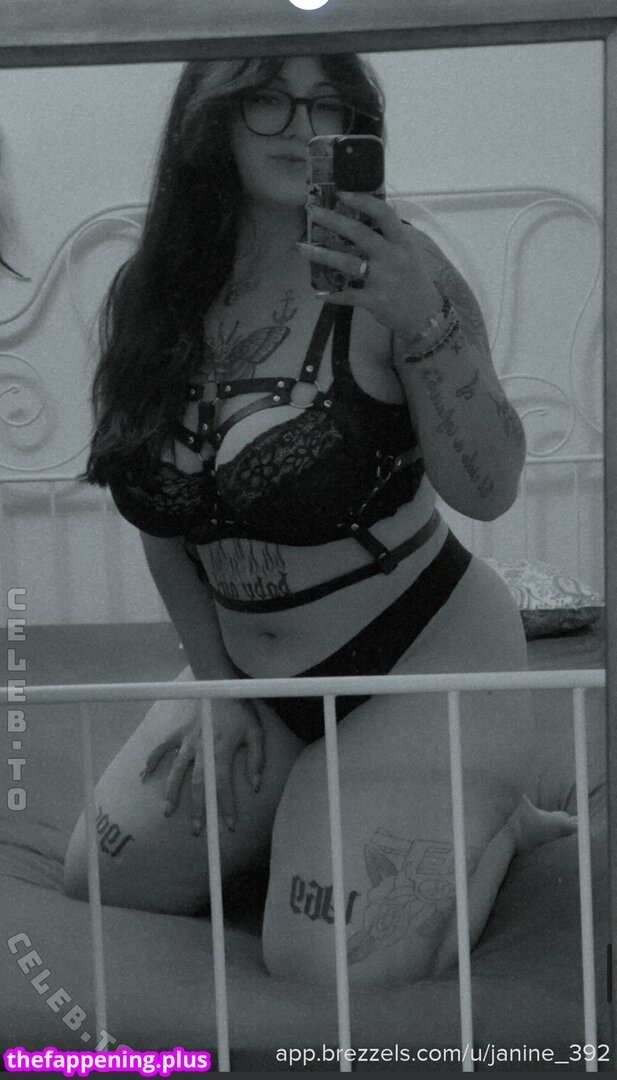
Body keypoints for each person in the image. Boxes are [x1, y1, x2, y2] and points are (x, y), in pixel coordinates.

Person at [64, 53, 576, 986]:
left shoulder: (400, 272)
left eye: (327, 104)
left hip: (420, 660)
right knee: (101, 876)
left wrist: (419, 319)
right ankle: (315, 806)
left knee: (324, 965)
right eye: (267, 99)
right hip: (248, 676)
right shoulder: (153, 294)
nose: (302, 129)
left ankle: (495, 816)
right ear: (210, 120)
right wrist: (218, 693)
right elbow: (161, 518)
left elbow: (490, 488)